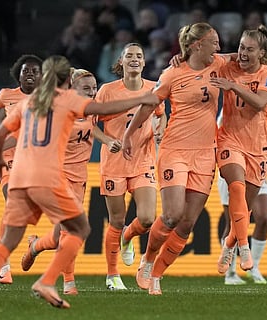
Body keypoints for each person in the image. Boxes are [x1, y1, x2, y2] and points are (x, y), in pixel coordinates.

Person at [0, 55, 160, 310]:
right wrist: (140, 98)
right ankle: (48, 281)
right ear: (67, 80)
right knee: (79, 229)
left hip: (23, 177)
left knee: (9, 239)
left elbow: (3, 134)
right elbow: (102, 110)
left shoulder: (30, 103)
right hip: (49, 177)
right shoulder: (67, 101)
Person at [122, 22, 234, 295]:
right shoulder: (173, 73)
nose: (218, 47)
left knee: (187, 223)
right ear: (197, 45)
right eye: (214, 42)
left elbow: (242, 56)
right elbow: (149, 103)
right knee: (172, 215)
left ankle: (157, 274)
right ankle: (147, 262)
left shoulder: (218, 63)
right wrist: (128, 134)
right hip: (175, 150)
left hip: (206, 153)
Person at [19, 68, 121, 295]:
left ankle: (35, 246)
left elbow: (92, 127)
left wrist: (107, 140)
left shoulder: (91, 110)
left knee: (57, 238)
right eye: (86, 89)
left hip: (79, 177)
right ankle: (68, 283)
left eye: (94, 88)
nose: (92, 93)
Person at [96, 42, 167, 291]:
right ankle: (112, 275)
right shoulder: (107, 91)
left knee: (147, 219)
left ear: (145, 62)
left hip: (143, 161)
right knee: (116, 219)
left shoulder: (153, 88)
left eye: (139, 55)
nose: (135, 59)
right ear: (122, 62)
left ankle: (128, 236)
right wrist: (107, 140)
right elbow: (90, 122)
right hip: (114, 163)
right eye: (130, 56)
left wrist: (160, 129)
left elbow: (161, 114)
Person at [210, 24, 267, 277]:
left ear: (261, 53)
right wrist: (181, 56)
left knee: (246, 212)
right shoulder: (230, 66)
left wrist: (233, 86)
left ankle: (230, 244)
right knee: (235, 186)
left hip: (258, 148)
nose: (243, 53)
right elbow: (206, 58)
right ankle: (242, 246)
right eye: (240, 47)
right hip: (230, 140)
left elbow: (260, 102)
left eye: (249, 49)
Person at [0, 54, 43, 285]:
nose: (29, 74)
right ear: (17, 74)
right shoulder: (6, 95)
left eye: (34, 71)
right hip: (10, 158)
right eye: (25, 70)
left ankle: (34, 245)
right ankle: (4, 263)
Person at [220, 156, 267, 285]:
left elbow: (263, 140)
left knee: (263, 218)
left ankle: (253, 267)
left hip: (256, 166)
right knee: (232, 223)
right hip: (232, 164)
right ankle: (230, 272)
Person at [51, 6, 102, 76]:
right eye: (79, 20)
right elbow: (52, 58)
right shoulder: (63, 35)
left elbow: (91, 65)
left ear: (90, 23)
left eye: (85, 21)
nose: (81, 25)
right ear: (73, 19)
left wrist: (74, 48)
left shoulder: (94, 40)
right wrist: (64, 44)